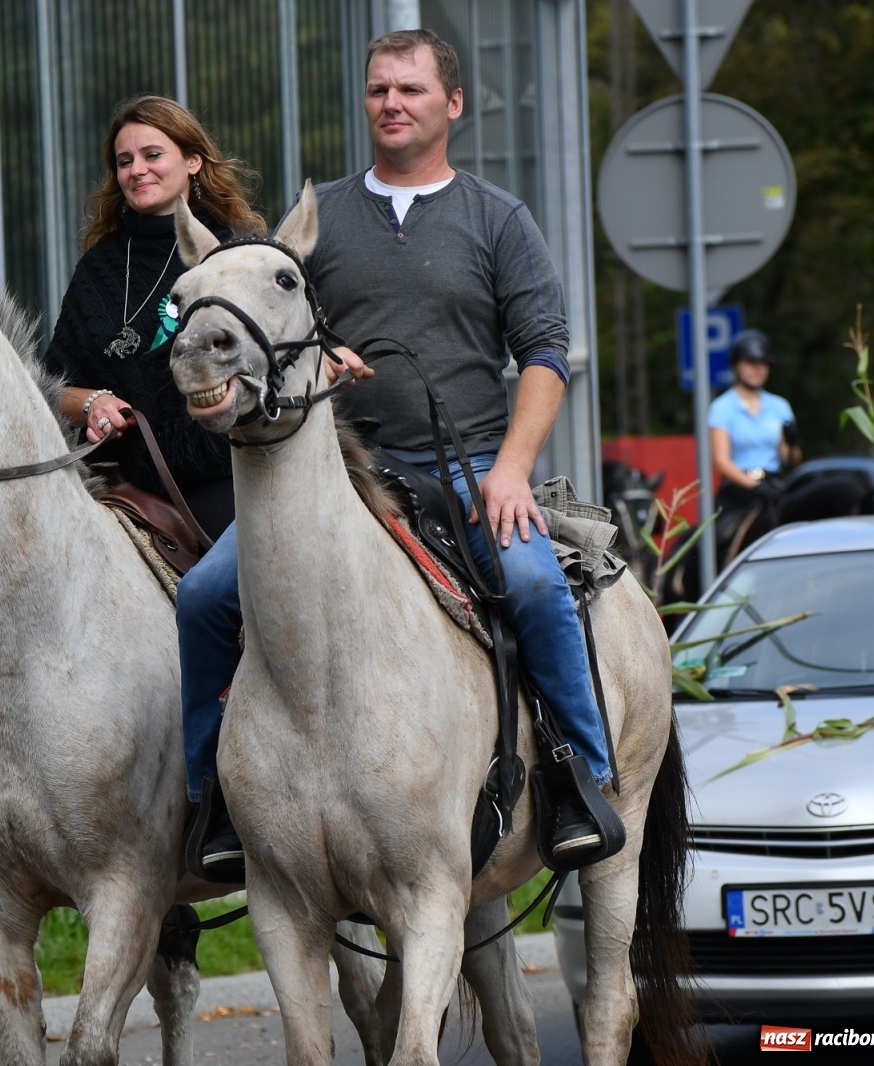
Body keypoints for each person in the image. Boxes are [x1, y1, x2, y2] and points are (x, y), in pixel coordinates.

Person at [181, 28, 617, 875]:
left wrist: (514, 470)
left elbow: (544, 356)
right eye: (380, 89)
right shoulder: (319, 220)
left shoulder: (499, 218)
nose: (391, 103)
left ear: (451, 105)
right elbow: (276, 329)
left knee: (532, 584)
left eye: (411, 90)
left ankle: (578, 777)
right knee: (203, 596)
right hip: (344, 472)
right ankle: (213, 803)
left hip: (472, 468)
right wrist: (321, 351)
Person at [42, 94, 264, 538]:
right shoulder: (99, 266)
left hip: (226, 479)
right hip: (114, 489)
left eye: (152, 154)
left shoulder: (236, 255)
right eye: (124, 161)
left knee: (208, 598)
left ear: (193, 161)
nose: (136, 169)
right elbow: (51, 385)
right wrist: (92, 404)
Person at [709, 329, 799, 514]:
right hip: (738, 489)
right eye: (751, 363)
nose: (758, 369)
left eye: (764, 364)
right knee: (720, 534)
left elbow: (790, 460)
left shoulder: (780, 406)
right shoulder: (722, 407)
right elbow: (721, 461)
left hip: (774, 485)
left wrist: (793, 444)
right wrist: (755, 486)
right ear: (736, 365)